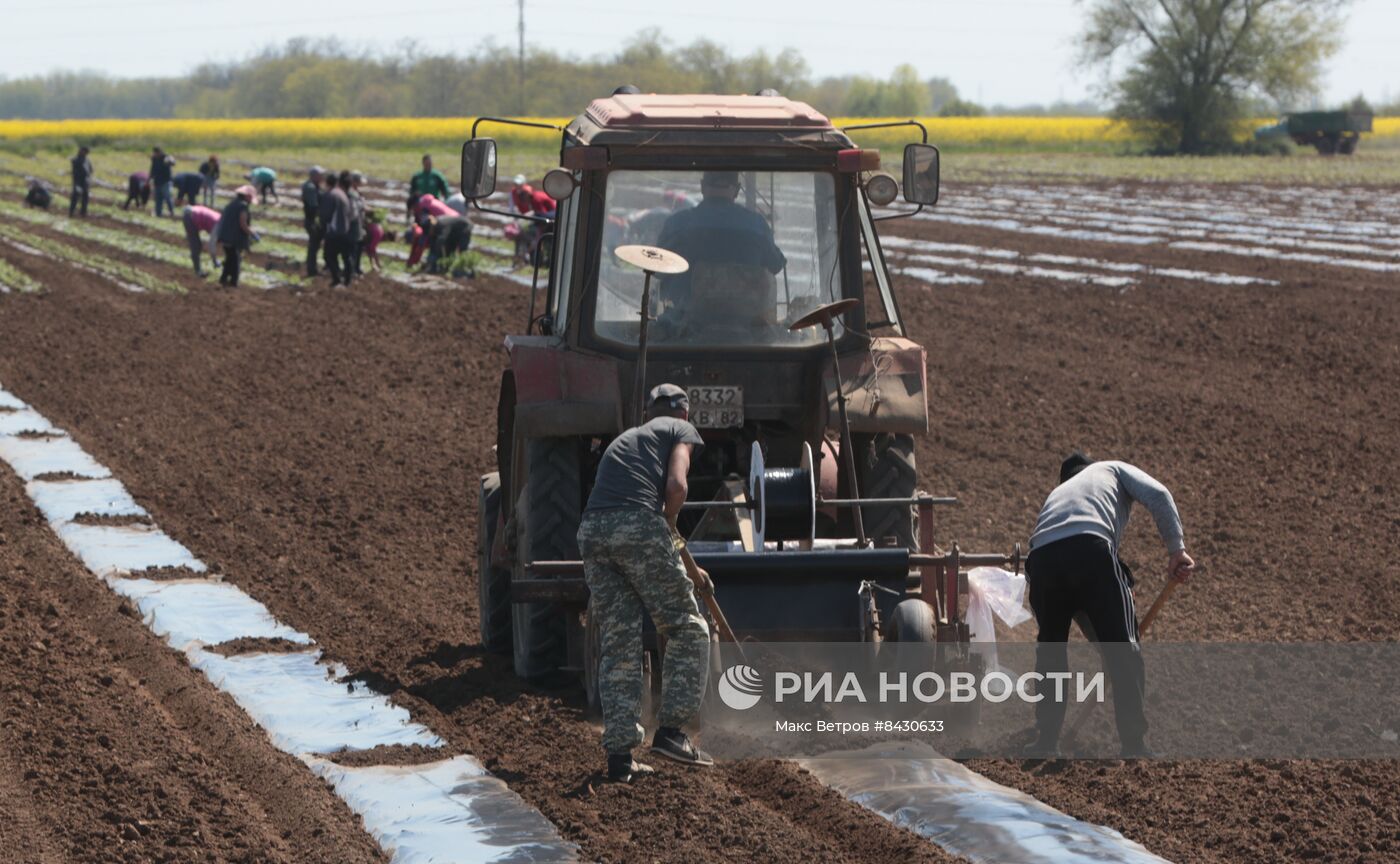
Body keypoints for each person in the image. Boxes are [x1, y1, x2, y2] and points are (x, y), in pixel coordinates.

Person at [576, 384, 713, 784]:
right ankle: (671, 733)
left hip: (593, 532)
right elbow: (676, 487)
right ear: (684, 415)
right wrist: (667, 527)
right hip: (636, 525)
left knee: (620, 644)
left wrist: (676, 555)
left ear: (648, 412)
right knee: (688, 628)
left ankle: (620, 761)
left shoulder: (628, 438)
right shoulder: (679, 431)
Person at [1024, 453, 1196, 759]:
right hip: (1091, 546)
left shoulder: (1058, 494)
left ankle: (1045, 741)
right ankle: (1134, 746)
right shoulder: (1111, 469)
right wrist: (1176, 550)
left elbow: (1073, 591)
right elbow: (1158, 494)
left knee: (1050, 650)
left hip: (1041, 558)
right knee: (1124, 650)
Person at [216, 185, 255, 287]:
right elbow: (243, 223)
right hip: (234, 237)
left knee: (229, 258)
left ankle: (223, 278)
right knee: (235, 259)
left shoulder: (231, 204)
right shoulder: (243, 206)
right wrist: (252, 233)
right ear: (246, 196)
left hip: (225, 235)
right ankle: (234, 281)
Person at [321, 171, 354, 287]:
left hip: (334, 231)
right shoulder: (343, 194)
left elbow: (326, 215)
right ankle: (348, 280)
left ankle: (337, 279)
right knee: (346, 256)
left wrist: (322, 228)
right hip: (345, 229)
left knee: (328, 256)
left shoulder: (330, 195)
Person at [181, 204, 221, 276]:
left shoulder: (220, 219)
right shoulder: (218, 225)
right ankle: (198, 271)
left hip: (192, 211)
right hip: (191, 216)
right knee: (196, 246)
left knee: (196, 244)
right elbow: (211, 244)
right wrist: (215, 261)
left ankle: (197, 268)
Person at [407, 154, 448, 220]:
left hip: (434, 204)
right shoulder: (417, 177)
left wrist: (446, 201)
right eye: (426, 163)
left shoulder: (437, 176)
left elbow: (445, 190)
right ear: (423, 163)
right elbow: (412, 192)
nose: (428, 165)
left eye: (430, 163)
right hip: (420, 205)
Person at [301, 166, 324, 277]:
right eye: (321, 175)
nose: (323, 177)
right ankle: (312, 270)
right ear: (315, 176)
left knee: (315, 245)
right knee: (314, 245)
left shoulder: (314, 186)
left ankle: (312, 267)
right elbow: (313, 206)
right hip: (312, 220)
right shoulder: (310, 187)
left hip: (312, 220)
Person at [348, 171, 366, 275]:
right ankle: (352, 269)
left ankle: (357, 267)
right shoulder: (351, 193)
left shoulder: (357, 192)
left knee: (359, 246)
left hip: (360, 222)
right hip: (354, 224)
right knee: (353, 247)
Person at [150, 147, 176, 217]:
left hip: (165, 181)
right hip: (157, 181)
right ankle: (158, 214)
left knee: (167, 197)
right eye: (155, 153)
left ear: (160, 152)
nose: (156, 154)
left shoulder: (166, 157)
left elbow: (173, 163)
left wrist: (170, 161)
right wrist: (150, 178)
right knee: (158, 198)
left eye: (157, 153)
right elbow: (152, 169)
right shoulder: (154, 159)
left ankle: (171, 212)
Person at [69, 146, 92, 218]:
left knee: (85, 197)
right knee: (75, 197)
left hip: (85, 181)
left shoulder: (87, 161)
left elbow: (90, 170)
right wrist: (76, 184)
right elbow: (75, 173)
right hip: (78, 181)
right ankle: (71, 213)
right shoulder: (76, 160)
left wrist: (88, 178)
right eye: (83, 151)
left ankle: (83, 212)